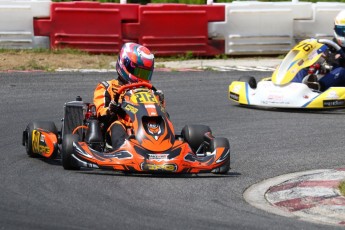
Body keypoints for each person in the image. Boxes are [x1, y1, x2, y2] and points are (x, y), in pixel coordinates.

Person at [93, 42, 165, 150]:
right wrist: (114, 110)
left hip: (143, 126)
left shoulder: (150, 92)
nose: (141, 78)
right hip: (117, 128)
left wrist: (160, 105)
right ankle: (123, 150)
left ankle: (165, 147)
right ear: (125, 65)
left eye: (145, 74)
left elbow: (160, 116)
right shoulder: (107, 87)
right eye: (139, 72)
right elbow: (102, 116)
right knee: (117, 126)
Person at [291, 10, 345, 91]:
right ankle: (293, 86)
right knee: (302, 66)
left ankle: (317, 87)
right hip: (330, 76)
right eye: (342, 31)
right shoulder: (333, 44)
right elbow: (327, 55)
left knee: (341, 71)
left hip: (340, 77)